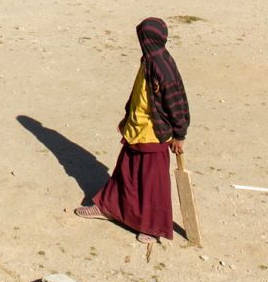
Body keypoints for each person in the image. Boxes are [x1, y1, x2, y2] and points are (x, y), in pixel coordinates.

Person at [74, 18, 190, 244]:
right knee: (125, 173)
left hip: (154, 133)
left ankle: (152, 226)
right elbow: (139, 94)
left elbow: (177, 102)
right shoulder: (148, 60)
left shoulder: (163, 68)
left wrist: (179, 134)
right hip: (136, 128)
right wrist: (128, 117)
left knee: (152, 182)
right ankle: (108, 207)